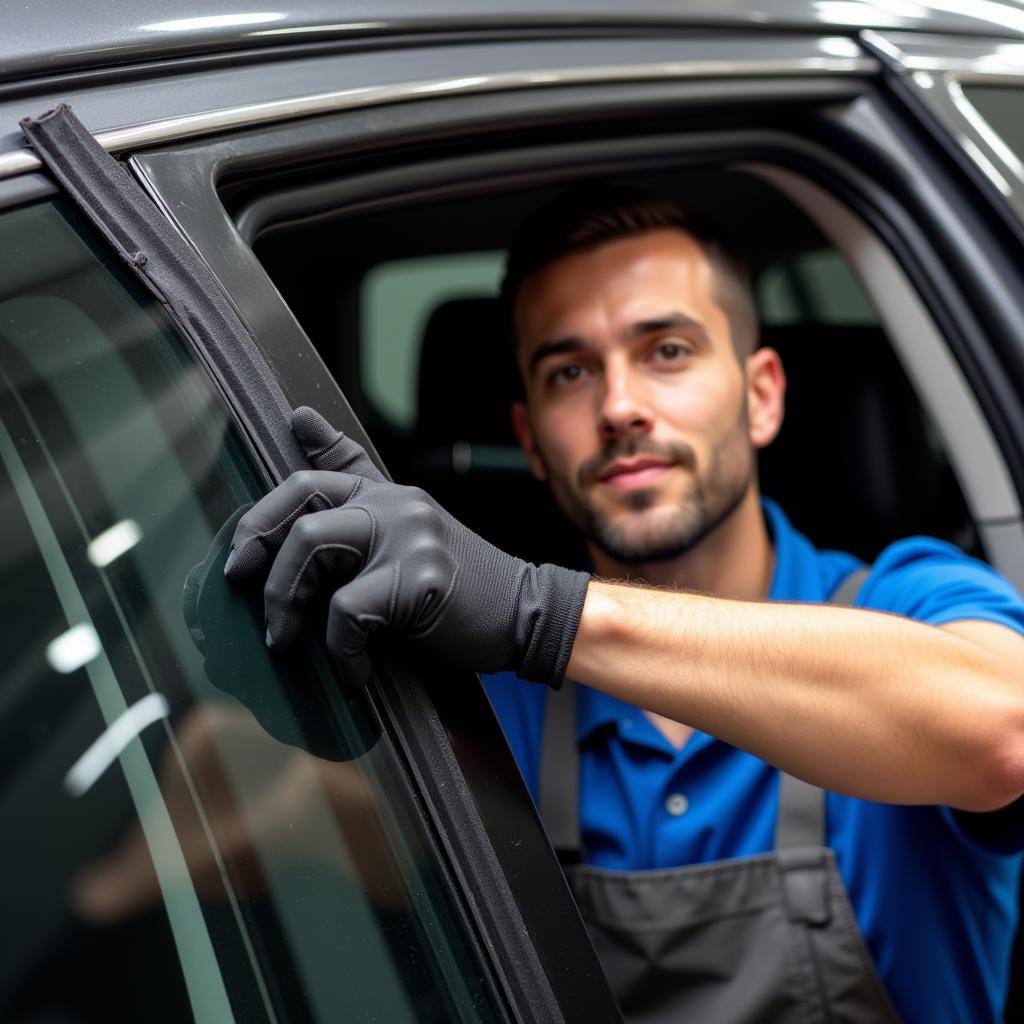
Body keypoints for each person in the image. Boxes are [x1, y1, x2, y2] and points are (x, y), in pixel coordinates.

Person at [226, 187, 1024, 1023]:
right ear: (531, 438)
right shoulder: (496, 700)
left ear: (762, 395)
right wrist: (281, 667)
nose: (618, 408)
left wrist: (540, 611)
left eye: (668, 351)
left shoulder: (907, 600)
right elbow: (287, 830)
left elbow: (1003, 732)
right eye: (570, 372)